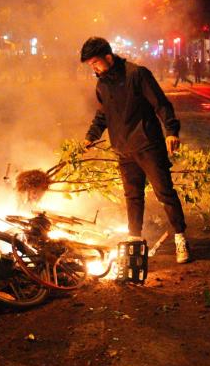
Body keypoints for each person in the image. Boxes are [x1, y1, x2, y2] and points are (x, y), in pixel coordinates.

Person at [80, 36, 190, 264]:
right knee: (132, 197)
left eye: (95, 63)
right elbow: (103, 114)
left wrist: (171, 130)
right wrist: (91, 136)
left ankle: (180, 237)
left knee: (165, 193)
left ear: (108, 57)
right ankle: (134, 240)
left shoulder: (137, 74)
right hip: (123, 150)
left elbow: (161, 104)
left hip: (148, 146)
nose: (94, 68)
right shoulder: (102, 84)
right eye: (90, 65)